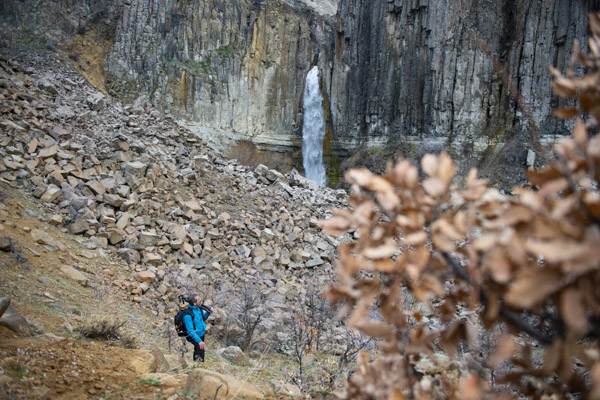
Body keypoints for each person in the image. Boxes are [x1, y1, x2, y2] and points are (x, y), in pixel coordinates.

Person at [182, 294, 213, 362]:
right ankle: (197, 365)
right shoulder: (188, 314)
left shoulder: (198, 308)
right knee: (199, 350)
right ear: (194, 303)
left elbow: (203, 318)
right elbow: (190, 330)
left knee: (201, 350)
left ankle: (200, 364)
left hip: (201, 333)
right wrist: (199, 341)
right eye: (199, 300)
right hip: (194, 335)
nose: (200, 301)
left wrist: (208, 312)